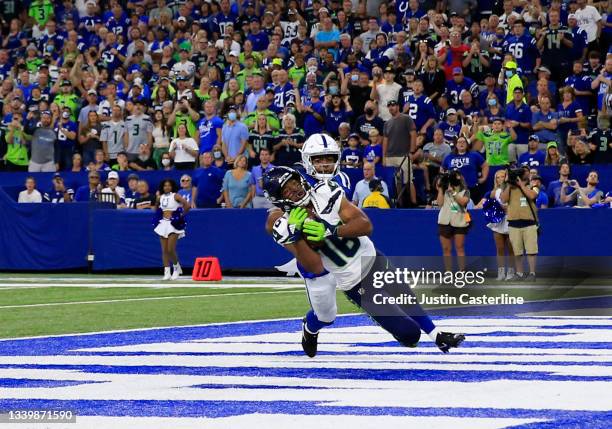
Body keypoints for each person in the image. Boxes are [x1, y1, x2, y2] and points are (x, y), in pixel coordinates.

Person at [263, 166, 465, 357]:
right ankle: (310, 326)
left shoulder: (325, 193)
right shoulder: (279, 222)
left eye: (295, 183)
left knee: (407, 315)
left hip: (370, 258)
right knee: (331, 317)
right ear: (279, 199)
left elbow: (365, 225)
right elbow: (315, 266)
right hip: (345, 278)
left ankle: (436, 335)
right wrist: (295, 235)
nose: (295, 190)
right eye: (287, 190)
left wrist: (330, 230)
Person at [501, 166, 539, 282]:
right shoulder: (510, 188)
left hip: (529, 222)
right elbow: (503, 199)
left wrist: (521, 185)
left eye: (526, 172)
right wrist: (508, 183)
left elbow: (533, 195)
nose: (525, 173)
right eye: (523, 171)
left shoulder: (534, 185)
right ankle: (519, 273)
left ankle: (532, 273)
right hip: (513, 223)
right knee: (517, 251)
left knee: (531, 250)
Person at [477, 169, 515, 281]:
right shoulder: (492, 193)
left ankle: (511, 272)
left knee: (511, 248)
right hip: (497, 221)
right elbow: (481, 205)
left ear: (506, 177)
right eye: (497, 177)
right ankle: (501, 273)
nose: (500, 179)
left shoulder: (512, 190)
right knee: (500, 249)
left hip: (510, 220)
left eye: (502, 176)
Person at [154, 178, 190, 280]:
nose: (167, 187)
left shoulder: (176, 195)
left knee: (170, 249)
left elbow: (187, 205)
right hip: (163, 223)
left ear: (172, 186)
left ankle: (176, 268)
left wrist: (180, 216)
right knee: (164, 250)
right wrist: (159, 216)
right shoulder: (159, 197)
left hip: (174, 224)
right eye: (165, 185)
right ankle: (166, 272)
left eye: (169, 185)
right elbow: (156, 208)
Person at [382, 99, 417, 205]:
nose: (391, 107)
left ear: (398, 106)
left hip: (404, 154)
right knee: (397, 182)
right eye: (389, 106)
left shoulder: (406, 118)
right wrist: (384, 156)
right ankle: (399, 203)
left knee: (408, 180)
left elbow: (413, 134)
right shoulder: (387, 123)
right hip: (390, 156)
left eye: (393, 105)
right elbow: (385, 141)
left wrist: (412, 151)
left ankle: (414, 202)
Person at [436, 170, 471, 272]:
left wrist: (453, 192)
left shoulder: (465, 191)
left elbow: (463, 202)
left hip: (459, 222)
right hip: (444, 221)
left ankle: (462, 271)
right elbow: (440, 203)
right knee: (446, 249)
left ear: (459, 177)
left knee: (459, 247)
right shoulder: (445, 190)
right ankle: (448, 272)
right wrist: (440, 189)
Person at [441, 136, 489, 203]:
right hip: (454, 189)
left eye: (464, 142)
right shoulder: (449, 157)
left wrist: (484, 178)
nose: (462, 144)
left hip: (471, 188)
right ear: (456, 145)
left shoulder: (474, 155)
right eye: (459, 142)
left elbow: (485, 165)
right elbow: (442, 169)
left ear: (467, 144)